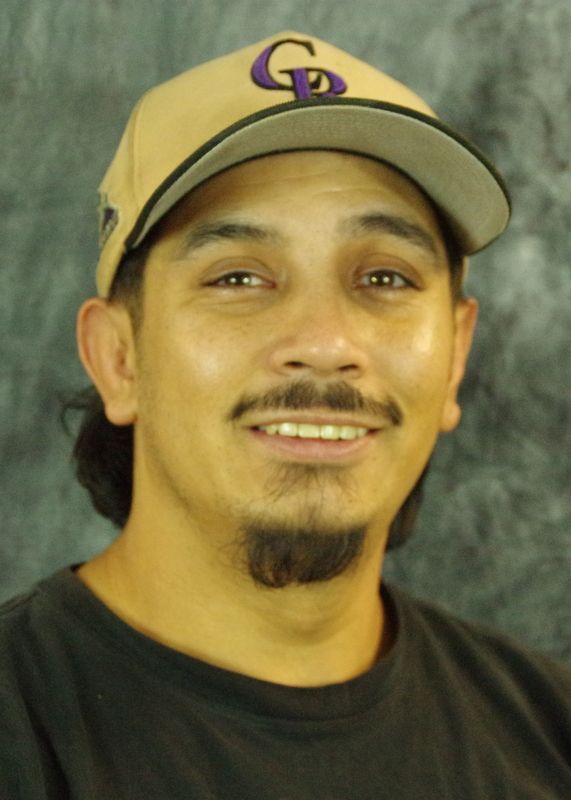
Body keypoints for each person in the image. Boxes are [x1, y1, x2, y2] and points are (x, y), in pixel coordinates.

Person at [1, 31, 569, 799]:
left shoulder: (548, 730)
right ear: (119, 358)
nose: (325, 343)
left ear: (455, 354)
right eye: (238, 276)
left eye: (383, 276)